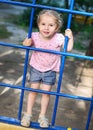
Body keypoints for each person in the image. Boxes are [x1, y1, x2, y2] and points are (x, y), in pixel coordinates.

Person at [21, 9, 74, 128]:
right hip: (35, 68)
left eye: (51, 25)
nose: (46, 28)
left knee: (46, 94)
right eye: (43, 24)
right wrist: (27, 43)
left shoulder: (59, 37)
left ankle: (42, 116)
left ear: (57, 27)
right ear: (38, 24)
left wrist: (70, 38)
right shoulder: (34, 35)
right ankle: (28, 114)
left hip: (50, 70)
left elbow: (68, 49)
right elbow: (25, 43)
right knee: (33, 92)